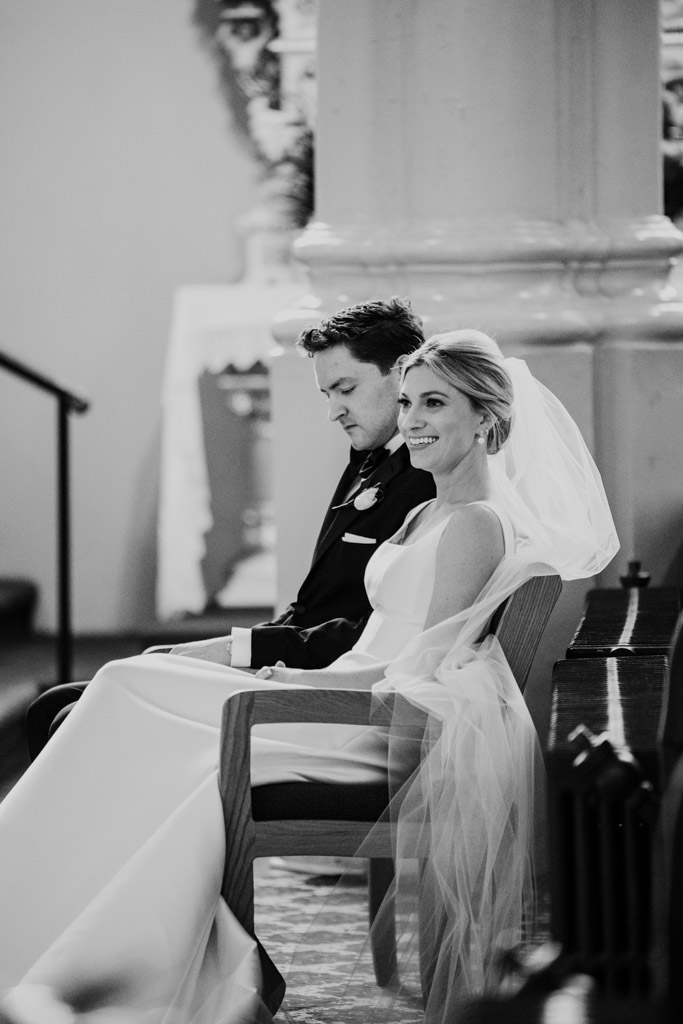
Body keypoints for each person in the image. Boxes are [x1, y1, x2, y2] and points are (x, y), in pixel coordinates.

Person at [0, 330, 619, 1024]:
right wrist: (280, 677)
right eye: (409, 401)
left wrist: (286, 690)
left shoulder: (474, 523)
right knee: (126, 688)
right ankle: (39, 915)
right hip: (340, 694)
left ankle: (79, 948)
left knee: (125, 685)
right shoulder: (425, 510)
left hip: (367, 721)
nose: (412, 420)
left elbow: (417, 671)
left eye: (434, 404)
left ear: (485, 417)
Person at [24, 297, 435, 759]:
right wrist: (231, 647)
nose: (334, 411)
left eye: (345, 388)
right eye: (327, 394)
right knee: (58, 703)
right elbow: (315, 603)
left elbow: (371, 631)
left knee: (75, 715)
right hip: (294, 654)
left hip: (327, 687)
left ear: (402, 371)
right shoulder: (371, 456)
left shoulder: (428, 481)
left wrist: (237, 651)